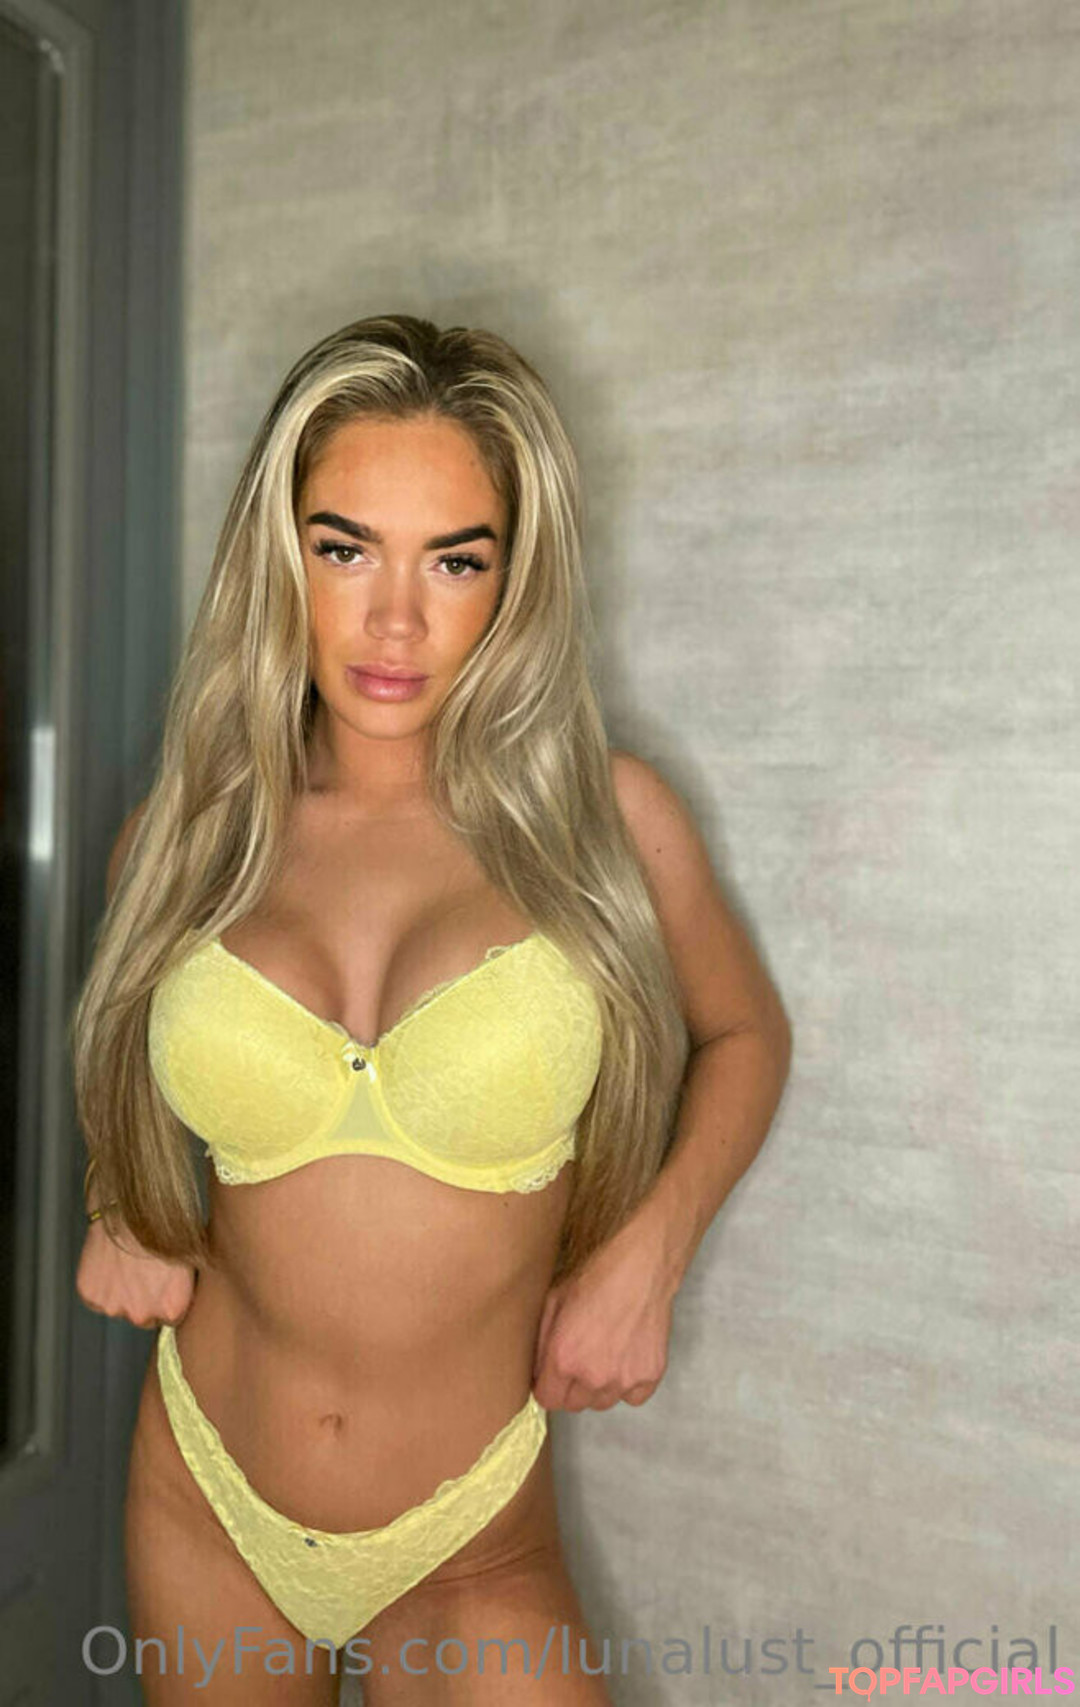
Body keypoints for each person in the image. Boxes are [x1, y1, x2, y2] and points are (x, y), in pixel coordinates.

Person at [72, 313, 791, 1705]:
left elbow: (746, 1038)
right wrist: (121, 1193)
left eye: (455, 561)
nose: (394, 621)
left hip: (466, 1536)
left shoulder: (609, 825)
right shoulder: (181, 838)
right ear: (278, 557)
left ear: (516, 581)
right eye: (344, 550)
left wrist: (650, 1254)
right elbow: (128, 1047)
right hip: (203, 1491)